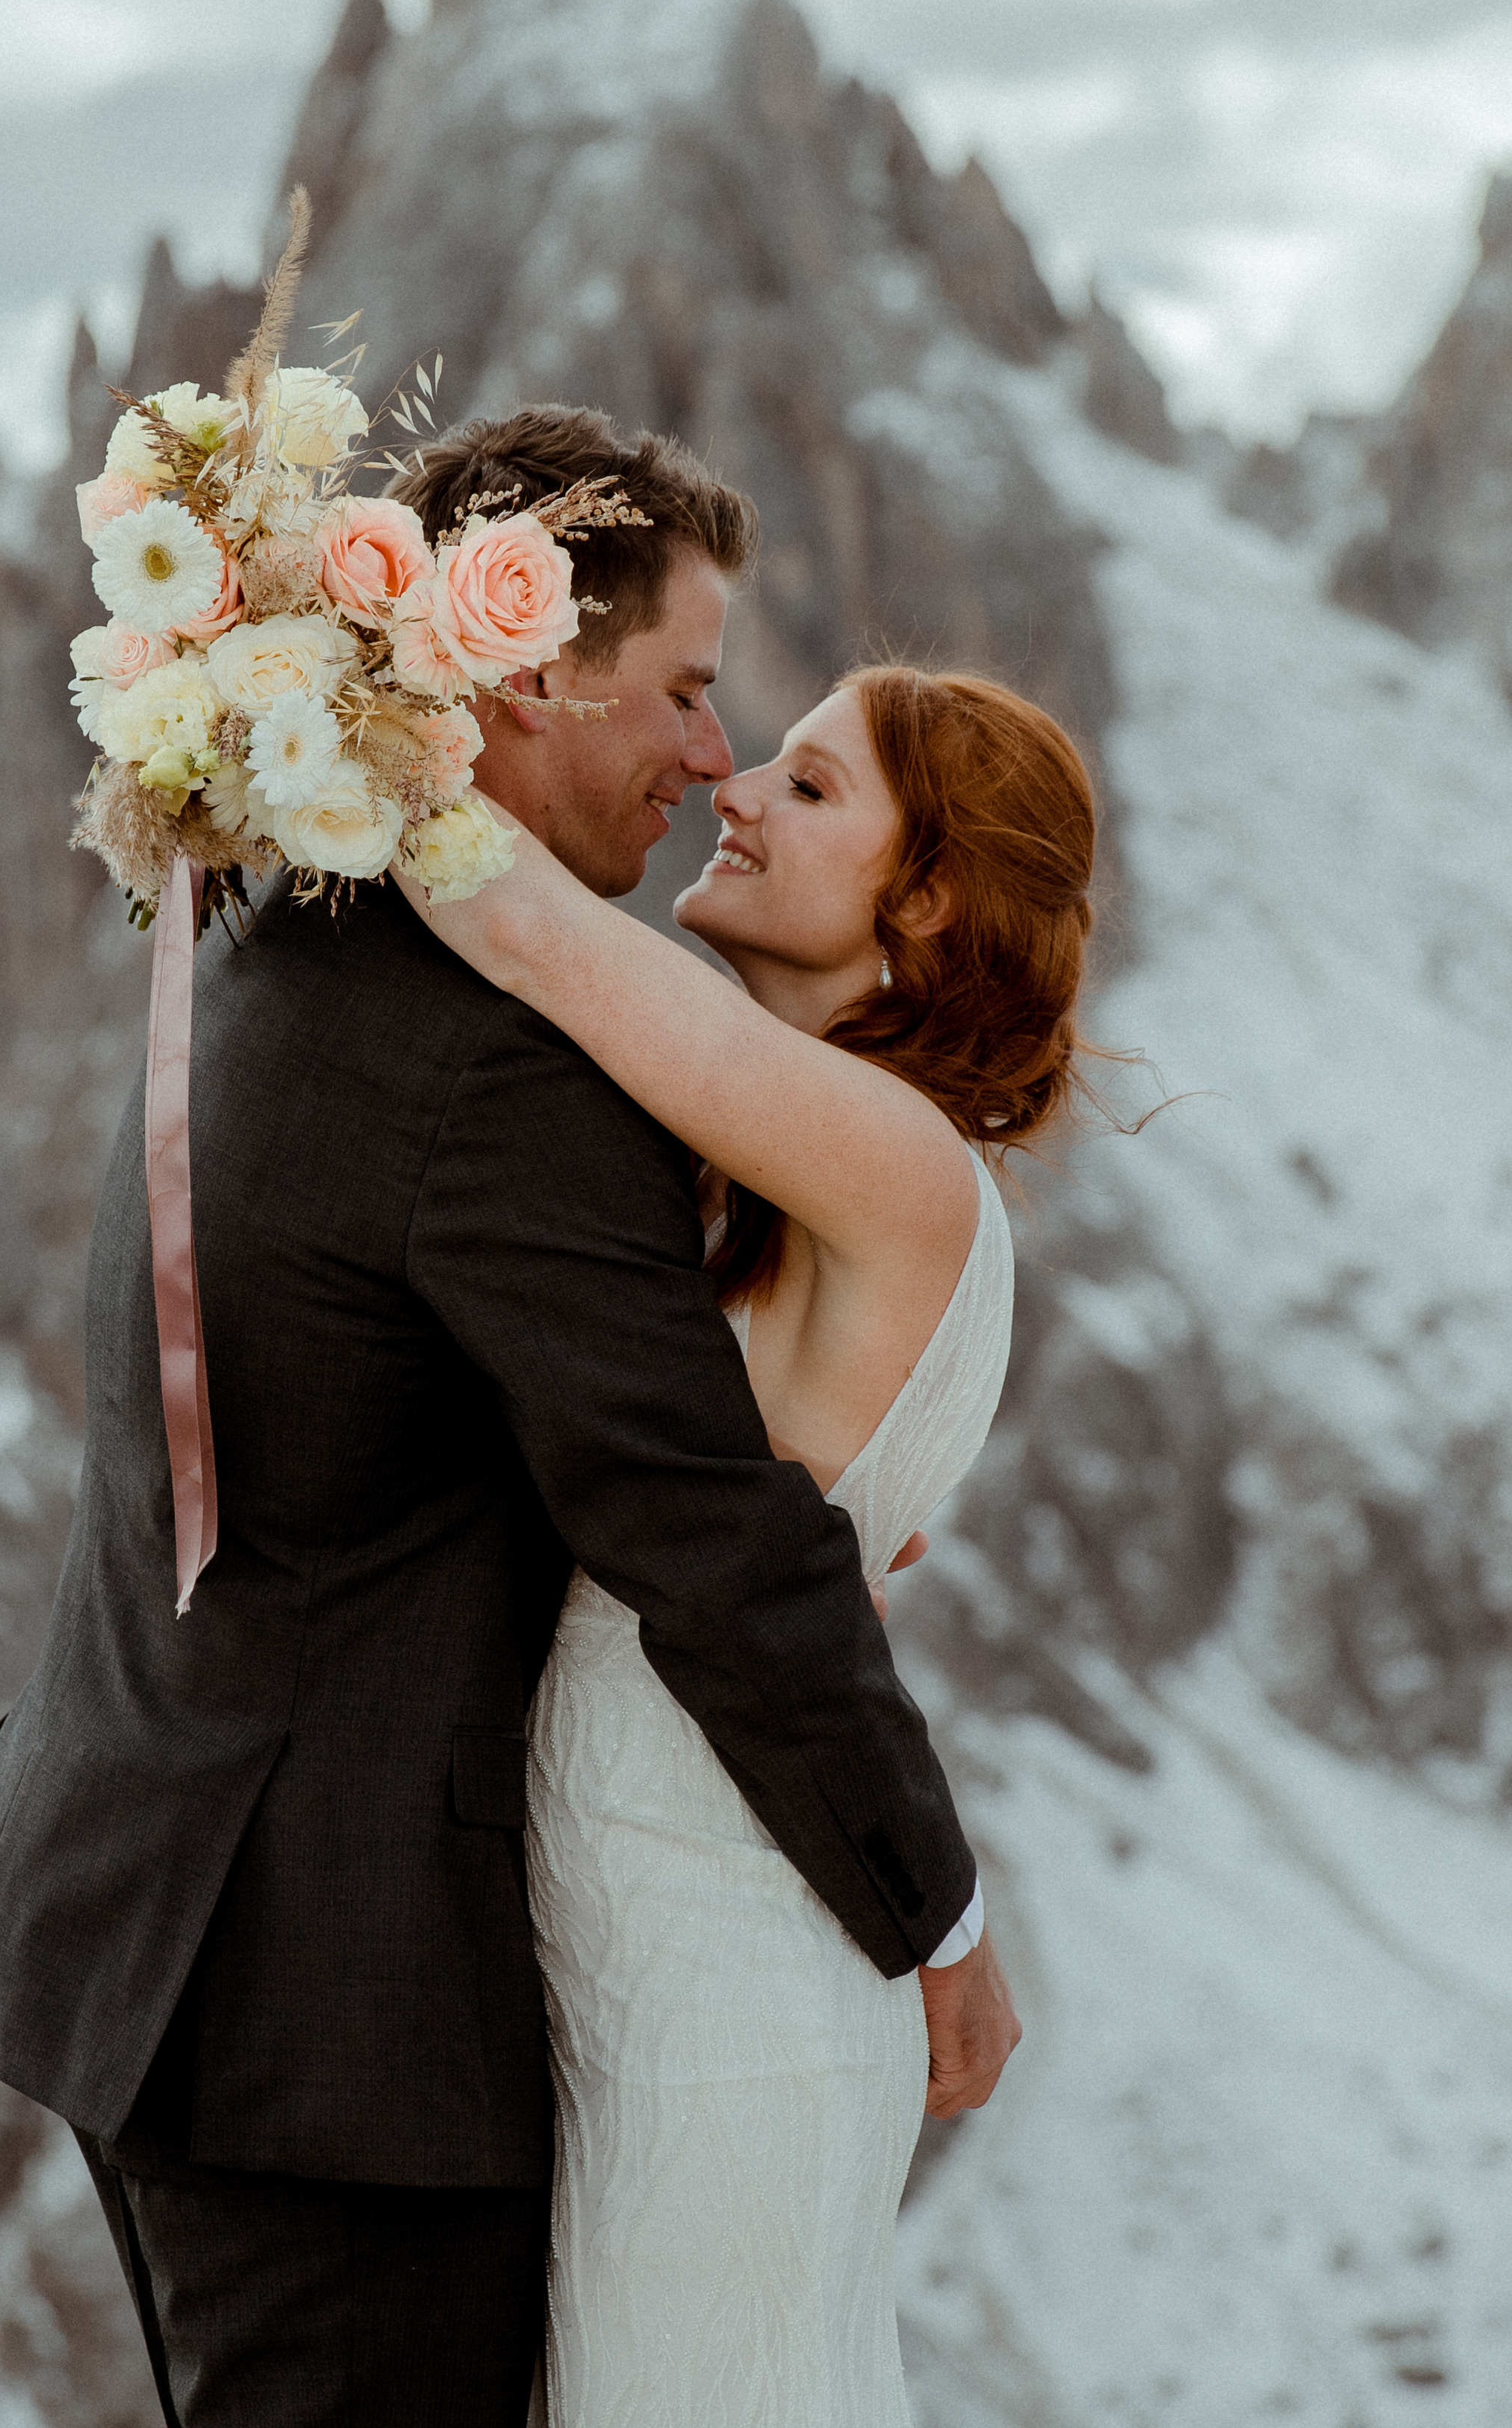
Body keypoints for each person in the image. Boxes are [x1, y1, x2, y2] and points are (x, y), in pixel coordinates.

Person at [0, 404, 1014, 2428]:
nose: (704, 759)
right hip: (321, 2013)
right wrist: (942, 1918)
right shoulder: (501, 1081)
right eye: (685, 692)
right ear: (532, 670)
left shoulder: (282, 933)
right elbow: (711, 1541)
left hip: (162, 1920)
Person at [397, 650, 1101, 2425]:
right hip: (663, 1932)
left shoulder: (891, 1155)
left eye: (806, 784)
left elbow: (544, 936)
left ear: (922, 897)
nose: (736, 792)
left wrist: (323, 681)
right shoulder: (790, 1158)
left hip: (730, 1988)